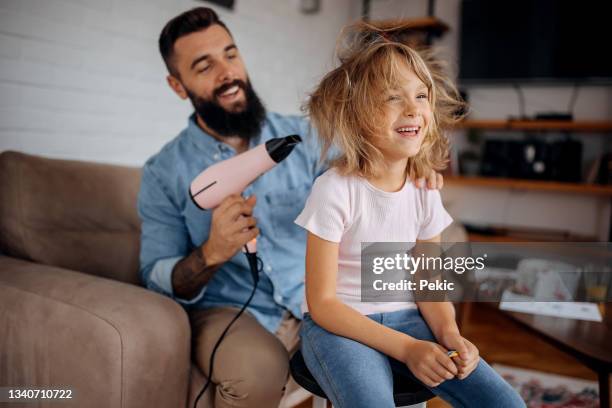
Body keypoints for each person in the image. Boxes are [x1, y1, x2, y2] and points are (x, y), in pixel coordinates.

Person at [138, 7, 444, 408]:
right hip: (233, 308)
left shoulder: (305, 136)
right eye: (204, 65)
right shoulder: (164, 172)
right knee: (257, 372)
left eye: (230, 54)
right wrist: (212, 253)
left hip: (318, 297)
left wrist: (417, 168)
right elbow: (156, 276)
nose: (227, 72)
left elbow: (376, 160)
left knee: (401, 355)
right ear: (178, 86)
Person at [294, 21, 526, 408]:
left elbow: (428, 282)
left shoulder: (424, 190)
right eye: (392, 98)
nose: (414, 109)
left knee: (507, 404)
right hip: (340, 328)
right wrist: (408, 349)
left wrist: (450, 335)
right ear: (358, 115)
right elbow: (323, 304)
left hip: (409, 319)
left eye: (421, 96)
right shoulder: (333, 190)